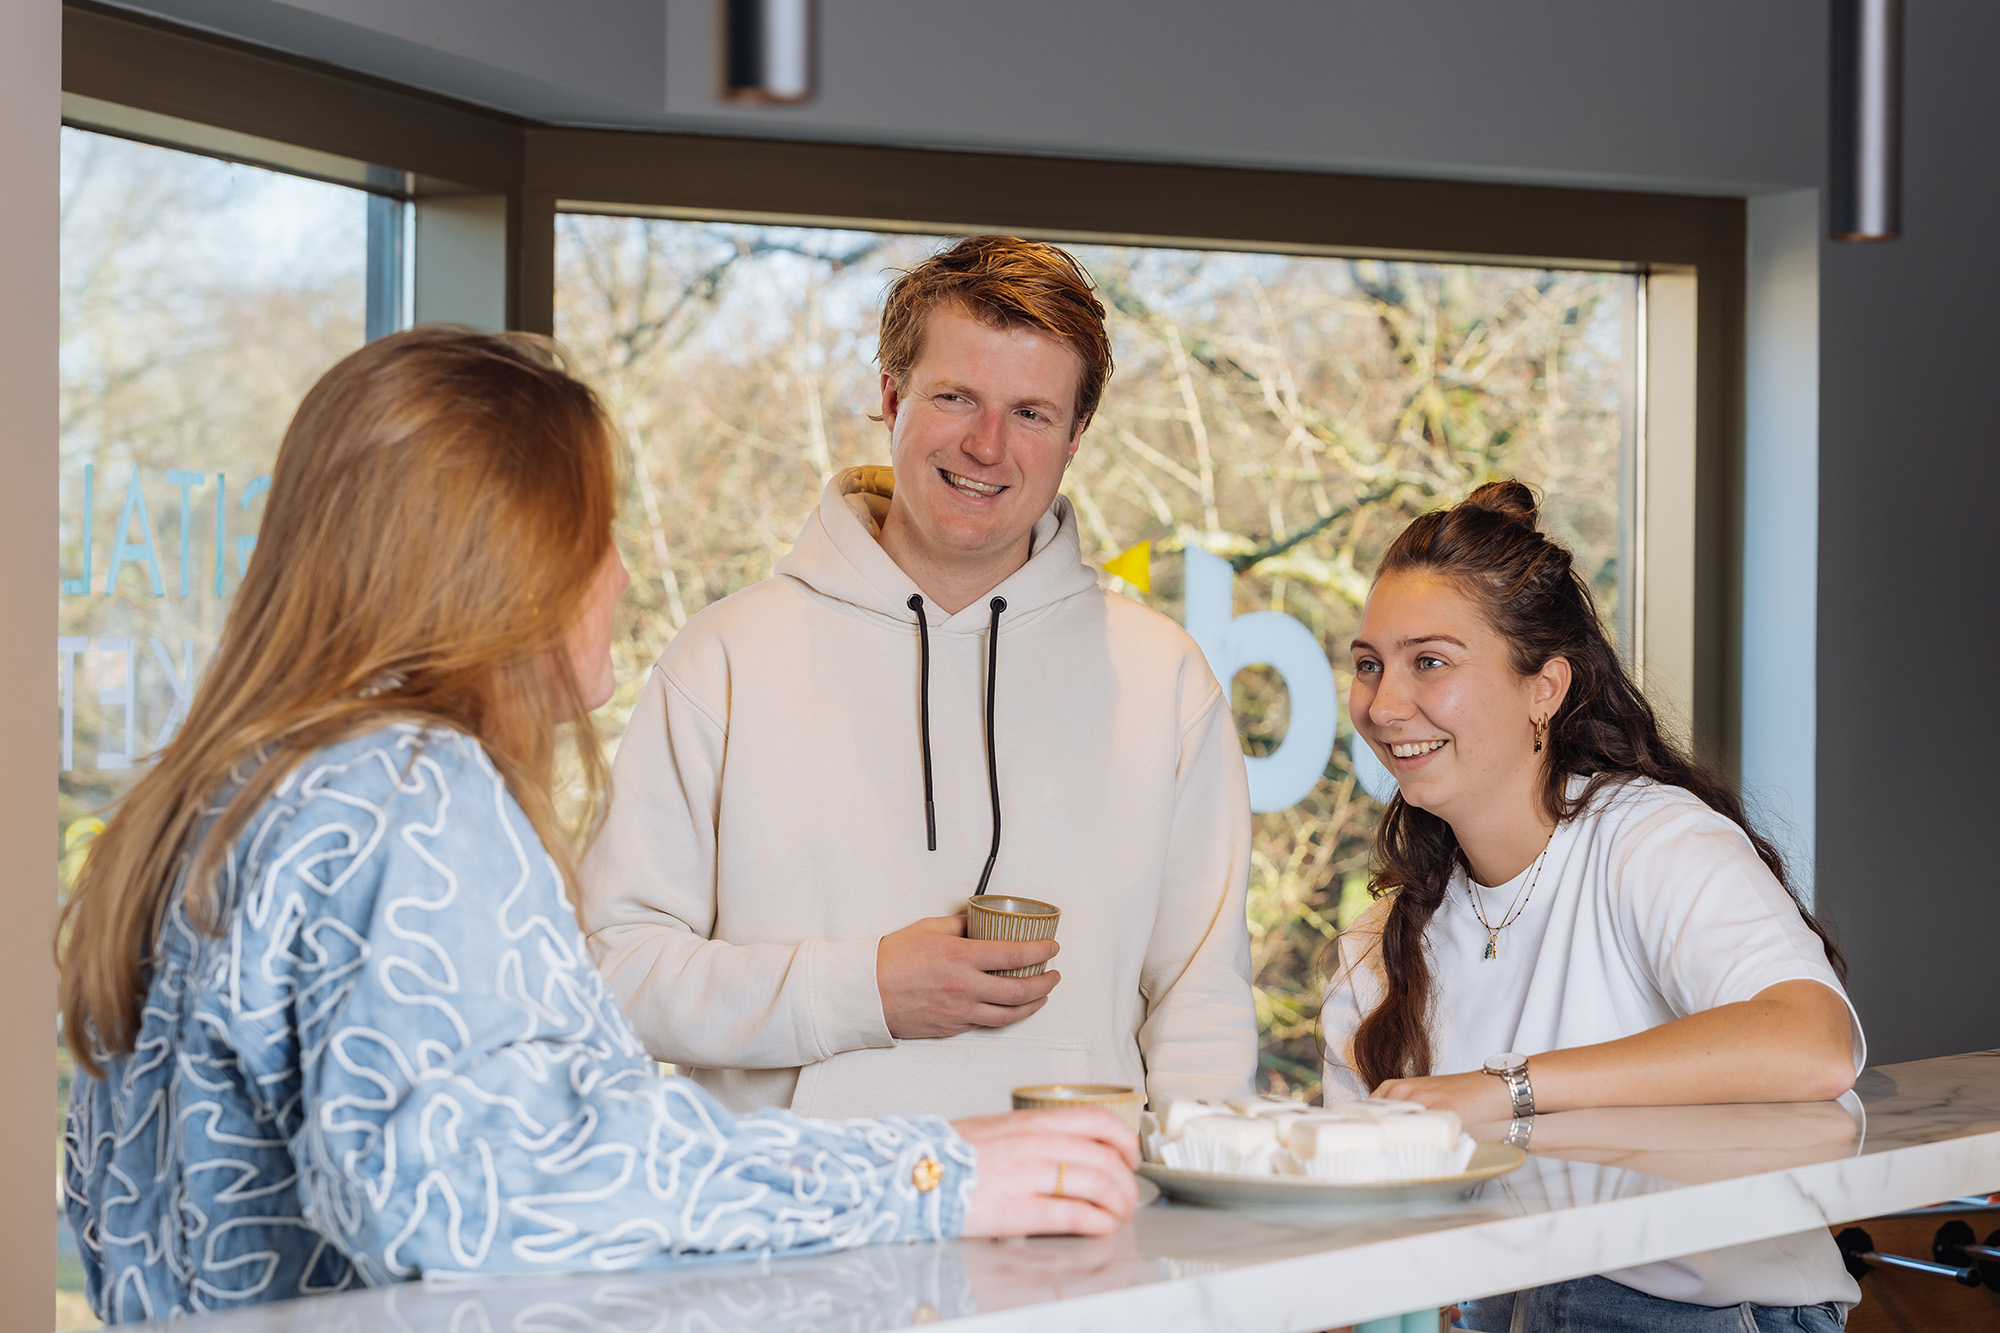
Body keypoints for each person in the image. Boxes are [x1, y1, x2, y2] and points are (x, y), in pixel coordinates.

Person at [57, 328, 1138, 1324]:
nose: (618, 573)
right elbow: (479, 1195)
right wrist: (935, 1172)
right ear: (509, 562)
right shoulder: (410, 794)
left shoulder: (215, 795)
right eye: (596, 533)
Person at [581, 236, 1257, 1121]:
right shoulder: (723, 658)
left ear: (1076, 436)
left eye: (1031, 413)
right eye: (955, 397)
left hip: (1085, 1222)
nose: (987, 446)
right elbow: (612, 971)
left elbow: (1202, 1010)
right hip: (799, 1229)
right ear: (892, 398)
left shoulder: (1163, 679)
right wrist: (858, 991)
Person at [1321, 481, 1862, 1331]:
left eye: (1429, 661)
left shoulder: (1645, 838)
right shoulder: (1378, 944)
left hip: (1711, 1310)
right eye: (1368, 664)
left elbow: (1815, 1041)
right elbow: (1358, 1246)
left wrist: (1505, 1089)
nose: (1385, 705)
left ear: (1545, 686)